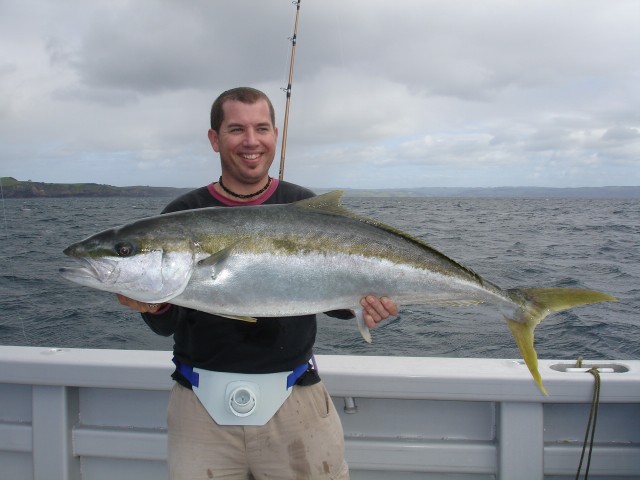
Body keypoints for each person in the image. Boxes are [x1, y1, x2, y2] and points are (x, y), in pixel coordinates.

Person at [117, 87, 398, 479]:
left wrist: (366, 306)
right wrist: (152, 304)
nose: (251, 141)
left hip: (296, 400)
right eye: (236, 130)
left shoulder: (301, 202)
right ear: (215, 139)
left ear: (275, 136)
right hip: (199, 408)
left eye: (261, 128)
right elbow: (167, 322)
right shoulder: (182, 213)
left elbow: (329, 300)